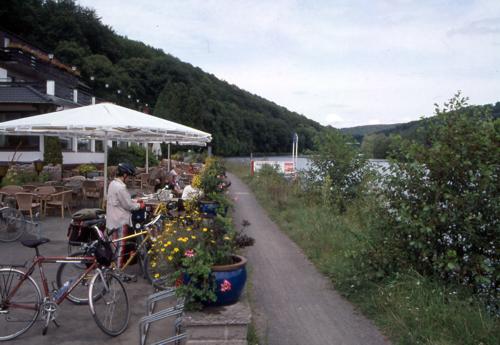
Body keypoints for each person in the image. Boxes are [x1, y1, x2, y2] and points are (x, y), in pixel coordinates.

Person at [106, 162, 144, 269]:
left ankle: (113, 267)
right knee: (120, 247)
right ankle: (117, 270)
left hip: (112, 220)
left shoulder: (113, 184)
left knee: (114, 246)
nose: (129, 179)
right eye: (129, 177)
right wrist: (139, 205)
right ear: (124, 175)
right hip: (120, 221)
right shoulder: (121, 187)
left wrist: (134, 200)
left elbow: (121, 200)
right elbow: (128, 205)